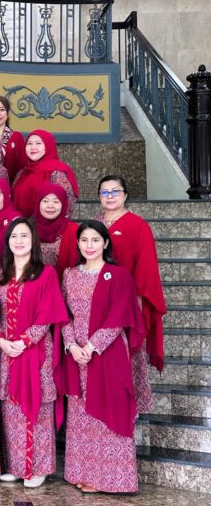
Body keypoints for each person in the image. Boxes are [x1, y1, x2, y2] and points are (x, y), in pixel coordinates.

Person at [59, 220, 143, 494]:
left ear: (105, 243)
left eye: (95, 240)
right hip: (76, 356)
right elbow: (63, 315)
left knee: (110, 411)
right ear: (78, 243)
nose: (89, 245)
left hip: (107, 354)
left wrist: (92, 346)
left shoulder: (118, 275)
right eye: (84, 240)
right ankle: (84, 474)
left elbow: (119, 316)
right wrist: (72, 345)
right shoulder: (69, 275)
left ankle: (110, 480)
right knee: (81, 417)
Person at [0, 218, 68, 488]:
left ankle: (39, 468)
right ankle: (16, 466)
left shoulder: (45, 273)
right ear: (8, 241)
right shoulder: (0, 274)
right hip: (7, 352)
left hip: (35, 352)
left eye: (24, 235)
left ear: (33, 240)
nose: (19, 241)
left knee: (38, 408)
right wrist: (1, 340)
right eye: (14, 236)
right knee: (11, 408)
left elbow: (48, 314)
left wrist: (25, 341)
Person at [94, 174, 161, 409]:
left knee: (127, 356)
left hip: (127, 304)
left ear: (125, 195)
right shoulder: (94, 225)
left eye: (115, 191)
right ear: (99, 197)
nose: (110, 196)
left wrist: (137, 307)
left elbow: (146, 269)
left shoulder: (138, 226)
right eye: (105, 192)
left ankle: (128, 408)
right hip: (96, 303)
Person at [11, 130, 78, 218]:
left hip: (48, 224)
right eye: (29, 143)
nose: (33, 147)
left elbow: (67, 203)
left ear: (48, 145)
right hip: (21, 224)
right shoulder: (23, 172)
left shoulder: (57, 172)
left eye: (38, 143)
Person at [34, 183, 78, 279]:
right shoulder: (28, 228)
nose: (50, 206)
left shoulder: (73, 230)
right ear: (38, 203)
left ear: (63, 204)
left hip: (63, 283)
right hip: (33, 283)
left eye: (56, 201)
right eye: (45, 201)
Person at [0, 96, 26, 183]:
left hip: (10, 186)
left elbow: (21, 168)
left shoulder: (16, 137)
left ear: (7, 113)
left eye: (2, 109)